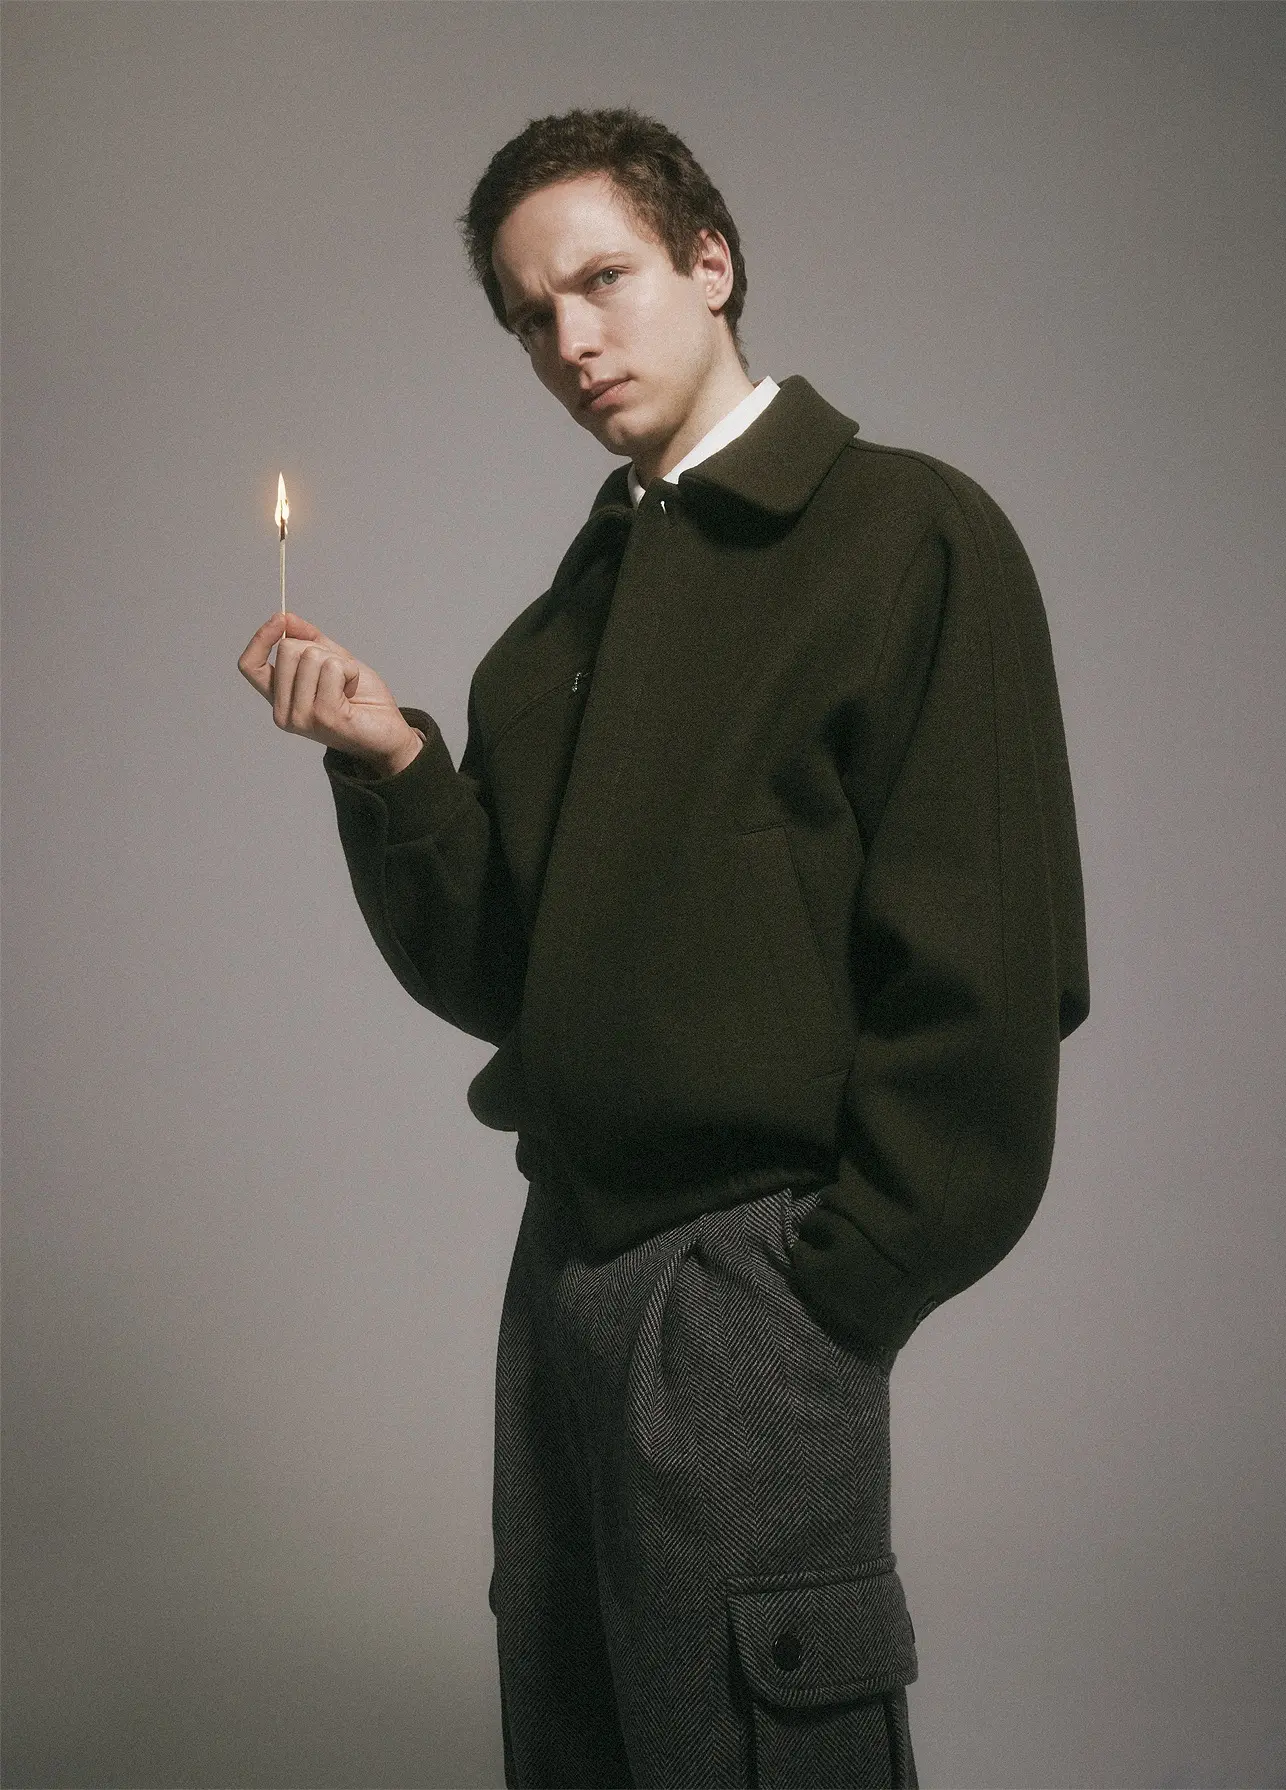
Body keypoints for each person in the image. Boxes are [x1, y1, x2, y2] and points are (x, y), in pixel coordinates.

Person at [238, 106, 1089, 1790]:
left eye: (601, 280)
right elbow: (505, 971)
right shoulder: (548, 640)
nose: (568, 340)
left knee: (753, 1753)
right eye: (527, 315)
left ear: (710, 263)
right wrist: (393, 764)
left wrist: (828, 1288)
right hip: (560, 1275)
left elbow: (990, 965)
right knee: (580, 1743)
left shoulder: (907, 536)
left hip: (750, 1289)